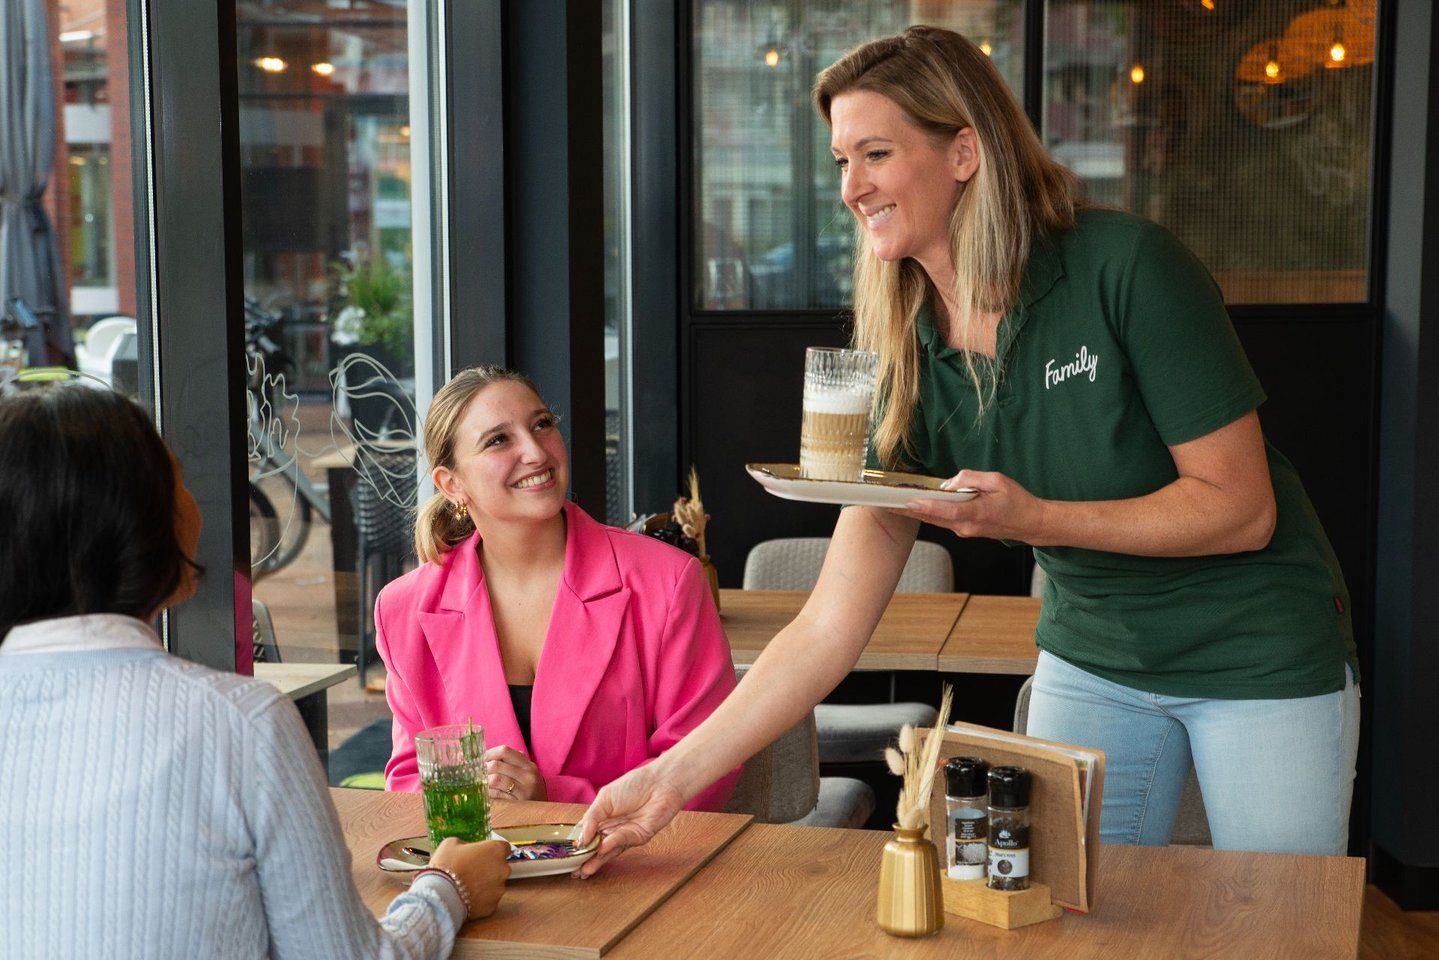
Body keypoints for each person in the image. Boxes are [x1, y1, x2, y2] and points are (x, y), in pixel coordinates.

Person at [575, 24, 1359, 870]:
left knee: (1277, 924)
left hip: (1255, 650)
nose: (851, 187)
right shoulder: (909, 348)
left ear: (962, 152)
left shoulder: (1125, 268)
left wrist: (1036, 518)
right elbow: (828, 622)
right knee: (1065, 921)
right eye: (841, 161)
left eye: (874, 153)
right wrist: (667, 775)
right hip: (1091, 658)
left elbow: (1240, 509)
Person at [0, 382, 509, 960]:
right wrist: (450, 888)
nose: (196, 504)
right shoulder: (240, 722)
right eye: (178, 481)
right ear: (136, 523)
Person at [375, 366, 739, 811]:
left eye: (541, 425)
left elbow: (704, 767)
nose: (535, 452)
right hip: (477, 869)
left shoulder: (668, 581)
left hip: (633, 869)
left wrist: (552, 800)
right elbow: (410, 780)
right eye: (498, 440)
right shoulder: (403, 608)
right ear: (452, 485)